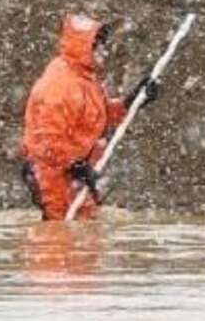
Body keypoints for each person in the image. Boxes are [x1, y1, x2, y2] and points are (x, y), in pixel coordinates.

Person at [19, 13, 157, 220]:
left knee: (84, 233)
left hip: (74, 174)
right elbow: (47, 140)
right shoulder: (59, 84)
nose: (104, 50)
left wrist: (132, 102)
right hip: (52, 176)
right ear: (83, 47)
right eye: (98, 45)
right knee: (58, 240)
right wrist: (75, 165)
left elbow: (98, 117)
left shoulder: (85, 80)